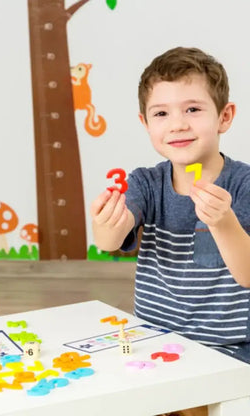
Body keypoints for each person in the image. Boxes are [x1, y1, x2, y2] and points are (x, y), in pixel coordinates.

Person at [91, 46, 250, 364]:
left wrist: (222, 222)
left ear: (224, 116)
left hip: (230, 347)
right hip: (152, 339)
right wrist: (107, 222)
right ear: (145, 122)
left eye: (192, 109)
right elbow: (109, 242)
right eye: (161, 113)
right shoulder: (146, 183)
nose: (177, 124)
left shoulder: (243, 183)